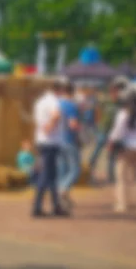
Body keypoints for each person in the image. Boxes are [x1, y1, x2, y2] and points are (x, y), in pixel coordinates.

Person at [31, 81, 67, 218]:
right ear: (58, 90)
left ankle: (56, 205)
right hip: (51, 141)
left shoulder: (40, 102)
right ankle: (37, 207)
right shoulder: (54, 101)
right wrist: (50, 126)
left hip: (42, 141)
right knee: (47, 175)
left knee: (52, 175)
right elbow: (56, 114)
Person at [108, 92, 136, 214]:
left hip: (125, 148)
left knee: (121, 177)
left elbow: (117, 131)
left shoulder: (123, 114)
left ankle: (122, 204)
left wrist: (111, 142)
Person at [89, 82, 125, 184]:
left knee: (111, 155)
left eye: (117, 92)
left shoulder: (121, 103)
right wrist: (98, 123)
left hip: (114, 133)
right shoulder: (106, 102)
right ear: (110, 93)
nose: (115, 94)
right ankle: (89, 168)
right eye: (114, 92)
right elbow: (96, 111)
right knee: (97, 150)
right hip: (103, 130)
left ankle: (111, 177)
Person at [58, 82, 82, 210]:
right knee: (74, 170)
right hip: (69, 140)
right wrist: (80, 128)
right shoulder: (71, 106)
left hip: (57, 141)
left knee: (62, 170)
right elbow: (72, 124)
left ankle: (61, 198)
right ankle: (63, 189)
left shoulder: (57, 104)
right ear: (72, 92)